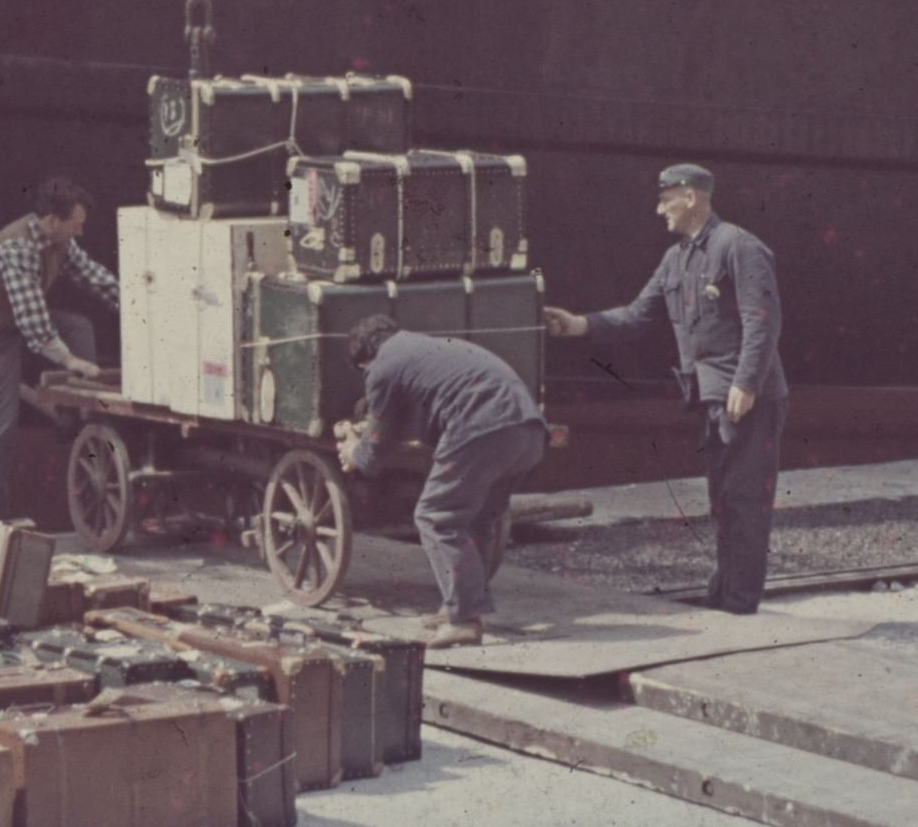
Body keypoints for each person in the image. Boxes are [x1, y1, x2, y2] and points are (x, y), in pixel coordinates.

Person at [543, 163, 786, 613]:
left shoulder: (738, 246)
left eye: (665, 199)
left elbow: (762, 321)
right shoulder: (677, 258)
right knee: (724, 500)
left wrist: (746, 382)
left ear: (691, 197)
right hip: (713, 397)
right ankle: (726, 594)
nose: (659, 210)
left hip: (745, 396)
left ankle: (738, 602)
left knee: (745, 501)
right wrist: (578, 325)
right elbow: (637, 315)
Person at [336, 315, 549, 649]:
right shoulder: (425, 346)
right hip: (529, 430)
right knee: (477, 517)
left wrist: (354, 453)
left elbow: (378, 439)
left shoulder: (382, 366)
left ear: (365, 360)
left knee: (435, 515)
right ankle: (460, 604)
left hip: (483, 426)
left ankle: (463, 621)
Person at [0, 177, 117, 521]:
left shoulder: (57, 241)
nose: (80, 232)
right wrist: (71, 361)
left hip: (6, 327)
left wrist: (143, 306)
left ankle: (74, 410)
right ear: (53, 221)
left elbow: (95, 278)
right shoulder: (18, 249)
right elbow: (34, 324)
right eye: (76, 225)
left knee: (77, 326)